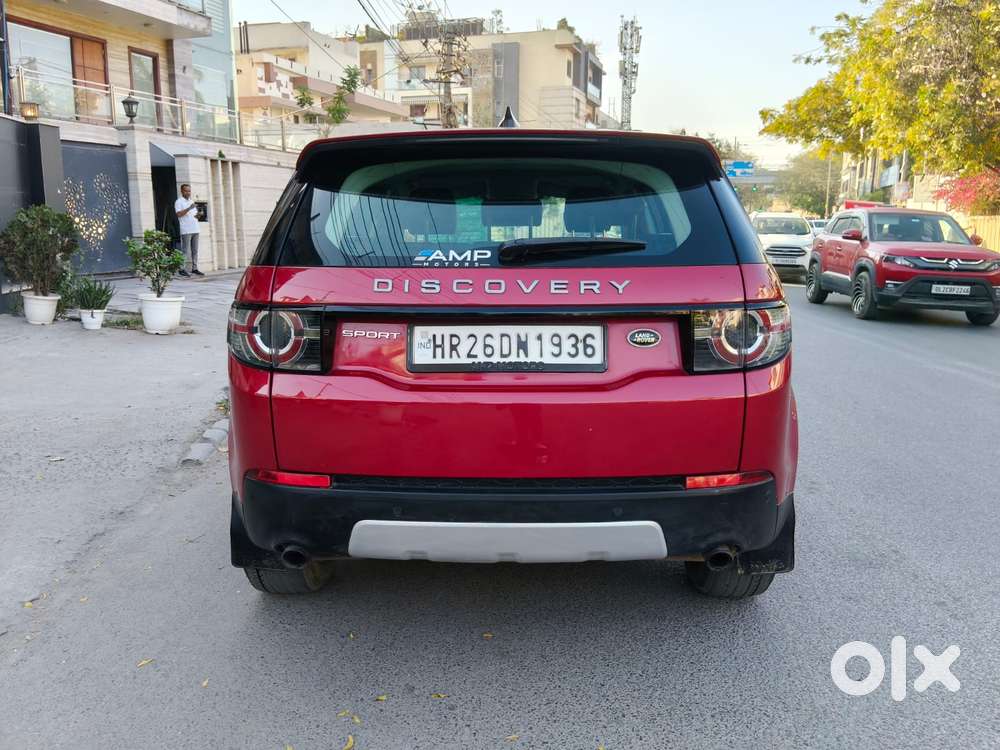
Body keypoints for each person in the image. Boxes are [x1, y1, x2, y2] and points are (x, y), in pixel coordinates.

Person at [174, 184, 203, 277]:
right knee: (185, 250)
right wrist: (189, 208)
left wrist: (199, 214)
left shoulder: (191, 201)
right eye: (186, 191)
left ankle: (194, 268)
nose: (188, 192)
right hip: (186, 229)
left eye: (189, 191)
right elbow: (178, 214)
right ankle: (182, 269)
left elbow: (195, 216)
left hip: (195, 228)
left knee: (195, 250)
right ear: (182, 191)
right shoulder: (178, 202)